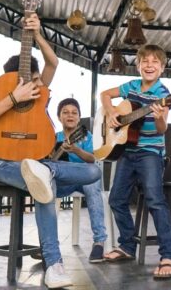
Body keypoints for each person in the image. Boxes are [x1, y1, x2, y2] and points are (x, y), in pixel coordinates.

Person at [0, 14, 101, 289]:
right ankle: (54, 265)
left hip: (38, 162)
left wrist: (38, 33)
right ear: (8, 80)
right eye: (21, 82)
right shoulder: (1, 93)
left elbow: (53, 62)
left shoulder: (39, 90)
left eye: (31, 81)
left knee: (91, 170)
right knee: (46, 188)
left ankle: (45, 171)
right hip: (5, 166)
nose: (28, 86)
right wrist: (12, 99)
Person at [100, 44, 171, 279]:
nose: (149, 65)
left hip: (150, 153)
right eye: (145, 61)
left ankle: (168, 255)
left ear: (162, 68)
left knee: (155, 200)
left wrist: (159, 118)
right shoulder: (131, 86)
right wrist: (112, 112)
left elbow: (162, 129)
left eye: (155, 62)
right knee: (116, 199)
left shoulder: (163, 94)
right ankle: (126, 246)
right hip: (127, 150)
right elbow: (105, 95)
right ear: (138, 65)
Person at [54, 97, 107, 263]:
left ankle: (99, 241)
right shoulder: (54, 137)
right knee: (46, 186)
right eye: (65, 112)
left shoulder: (86, 137)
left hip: (85, 180)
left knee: (92, 183)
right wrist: (57, 153)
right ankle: (48, 245)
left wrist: (76, 150)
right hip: (63, 182)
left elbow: (92, 159)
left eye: (74, 113)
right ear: (59, 117)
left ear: (79, 117)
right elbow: (50, 162)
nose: (70, 116)